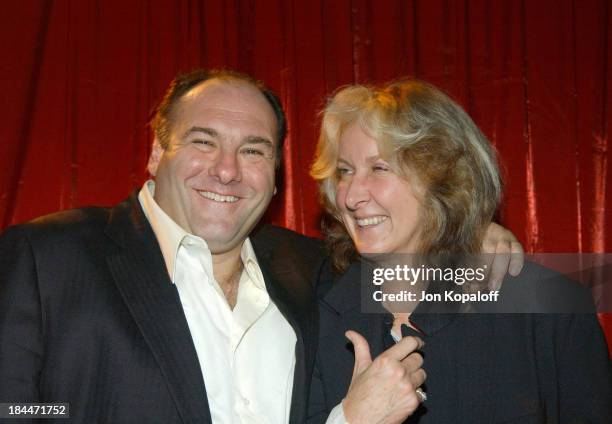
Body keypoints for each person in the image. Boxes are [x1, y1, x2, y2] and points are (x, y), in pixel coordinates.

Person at [0, 69, 523, 423]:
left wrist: (468, 229)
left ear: (275, 175)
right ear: (158, 152)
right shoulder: (47, 258)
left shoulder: (311, 270)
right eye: (203, 141)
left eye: (253, 150)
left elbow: (410, 248)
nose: (226, 170)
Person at [308, 80, 612, 423]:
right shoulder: (316, 315)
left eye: (379, 168)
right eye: (345, 171)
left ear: (442, 178)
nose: (350, 196)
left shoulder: (546, 309)